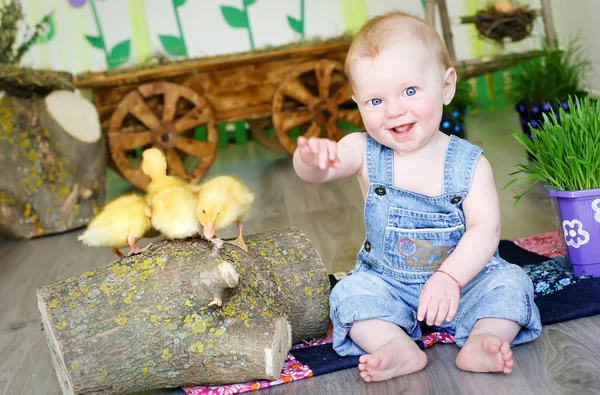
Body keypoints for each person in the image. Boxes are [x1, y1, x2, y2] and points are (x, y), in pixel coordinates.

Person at [292, 10, 542, 383]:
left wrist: (451, 278)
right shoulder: (361, 148)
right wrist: (312, 160)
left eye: (409, 91)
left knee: (511, 286)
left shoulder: (470, 164)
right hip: (390, 284)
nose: (394, 110)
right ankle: (393, 344)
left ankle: (485, 337)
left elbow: (485, 229)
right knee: (349, 294)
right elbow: (323, 170)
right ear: (357, 103)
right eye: (375, 101)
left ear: (446, 86)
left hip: (467, 282)